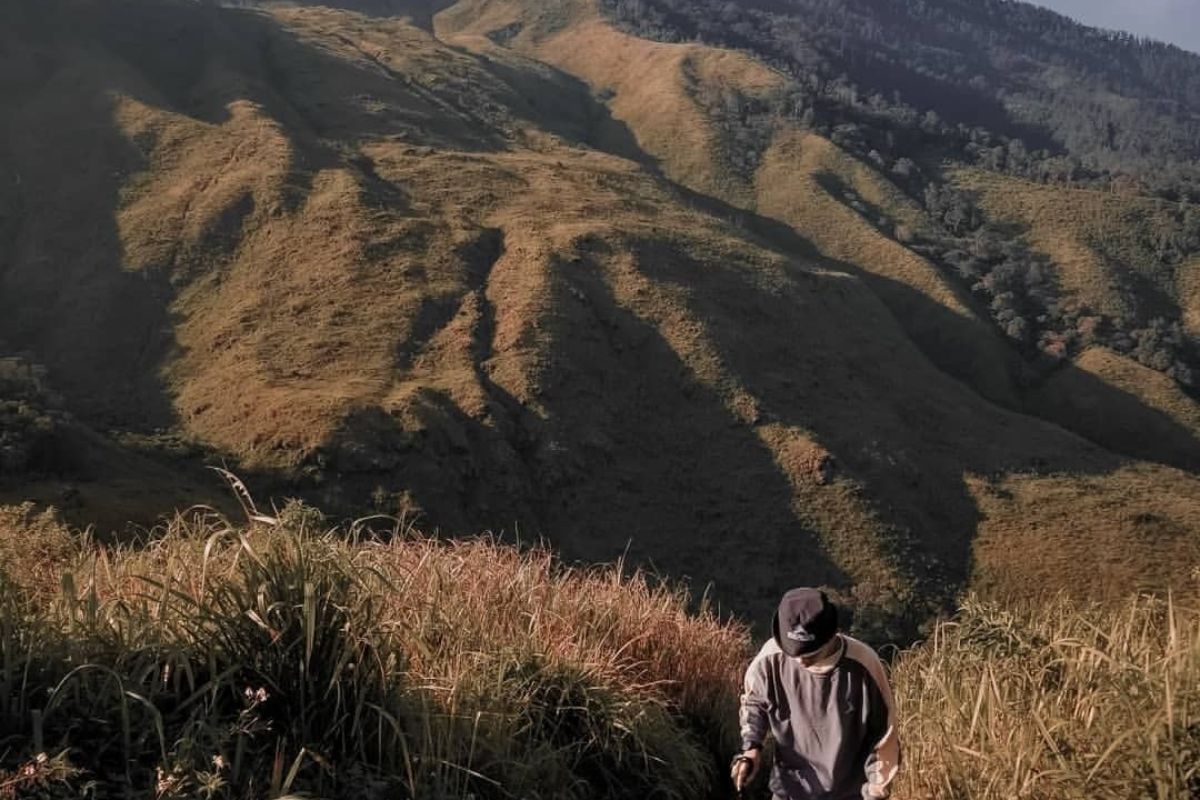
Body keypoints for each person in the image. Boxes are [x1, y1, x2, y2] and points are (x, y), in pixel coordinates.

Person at [730, 588, 900, 799]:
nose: (800, 660)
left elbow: (883, 736)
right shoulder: (769, 659)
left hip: (848, 793)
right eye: (793, 652)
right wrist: (751, 748)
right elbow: (754, 703)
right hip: (788, 791)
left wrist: (876, 792)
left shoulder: (863, 665)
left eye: (810, 654)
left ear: (831, 636)